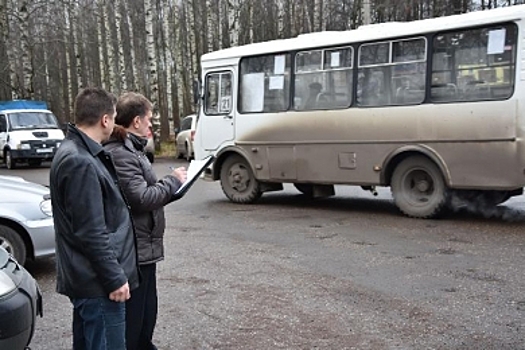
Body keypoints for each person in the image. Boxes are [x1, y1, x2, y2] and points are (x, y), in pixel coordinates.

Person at [49, 87, 139, 350]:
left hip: (90, 282)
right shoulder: (80, 162)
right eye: (113, 117)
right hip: (97, 285)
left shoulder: (77, 151)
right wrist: (114, 277)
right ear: (106, 120)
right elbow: (91, 231)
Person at [103, 92, 187, 350]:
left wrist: (176, 188)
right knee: (137, 317)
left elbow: (150, 197)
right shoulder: (121, 153)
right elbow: (140, 198)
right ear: (136, 121)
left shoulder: (134, 150)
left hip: (146, 248)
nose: (151, 125)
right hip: (135, 250)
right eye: (149, 120)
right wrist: (172, 181)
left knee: (147, 314)